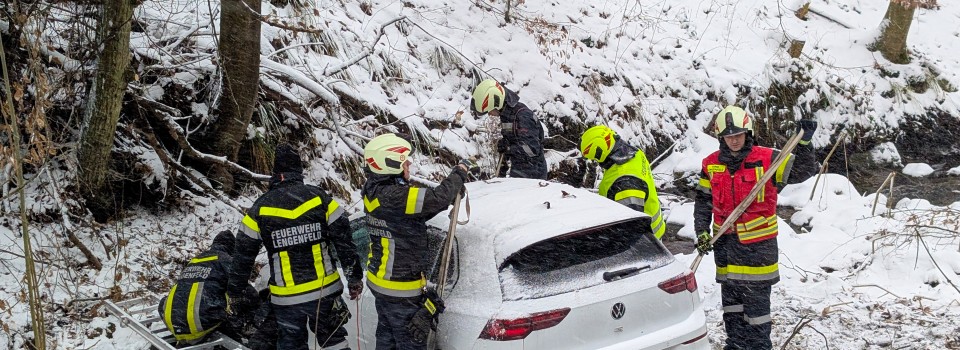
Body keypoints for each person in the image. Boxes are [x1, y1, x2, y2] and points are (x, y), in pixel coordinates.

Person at [693, 106, 818, 350]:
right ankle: (736, 345)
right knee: (732, 308)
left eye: (739, 134)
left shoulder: (768, 159)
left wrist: (804, 144)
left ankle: (760, 346)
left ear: (748, 132)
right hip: (726, 249)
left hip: (757, 252)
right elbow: (703, 202)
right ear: (721, 138)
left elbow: (803, 171)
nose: (735, 140)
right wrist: (702, 232)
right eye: (729, 136)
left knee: (757, 311)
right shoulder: (710, 165)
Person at [227, 144, 364, 350]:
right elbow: (344, 241)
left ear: (275, 173)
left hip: (286, 300)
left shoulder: (259, 209)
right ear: (299, 171)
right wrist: (354, 277)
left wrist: (235, 293)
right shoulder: (319, 199)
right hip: (324, 293)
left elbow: (243, 257)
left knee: (291, 345)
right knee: (334, 341)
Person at [361, 133, 471, 349]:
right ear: (390, 164)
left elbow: (411, 214)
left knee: (386, 342)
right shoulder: (396, 196)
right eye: (406, 164)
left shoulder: (372, 191)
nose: (409, 169)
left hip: (381, 286)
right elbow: (437, 198)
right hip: (401, 290)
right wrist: (459, 174)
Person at [157, 231, 253, 345]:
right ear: (232, 247)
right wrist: (258, 310)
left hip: (173, 322)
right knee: (233, 302)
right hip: (201, 323)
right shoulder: (225, 259)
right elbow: (245, 289)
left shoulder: (195, 260)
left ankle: (185, 330)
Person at [579, 125, 666, 239]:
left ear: (600, 151)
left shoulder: (625, 183)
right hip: (654, 231)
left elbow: (631, 231)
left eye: (594, 158)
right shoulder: (632, 153)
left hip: (647, 243)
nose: (596, 162)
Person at [471, 79, 548, 179]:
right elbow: (514, 138)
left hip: (533, 174)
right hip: (519, 170)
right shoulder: (507, 115)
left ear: (496, 103)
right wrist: (505, 143)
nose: (490, 114)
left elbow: (532, 150)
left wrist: (509, 149)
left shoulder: (522, 116)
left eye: (490, 110)